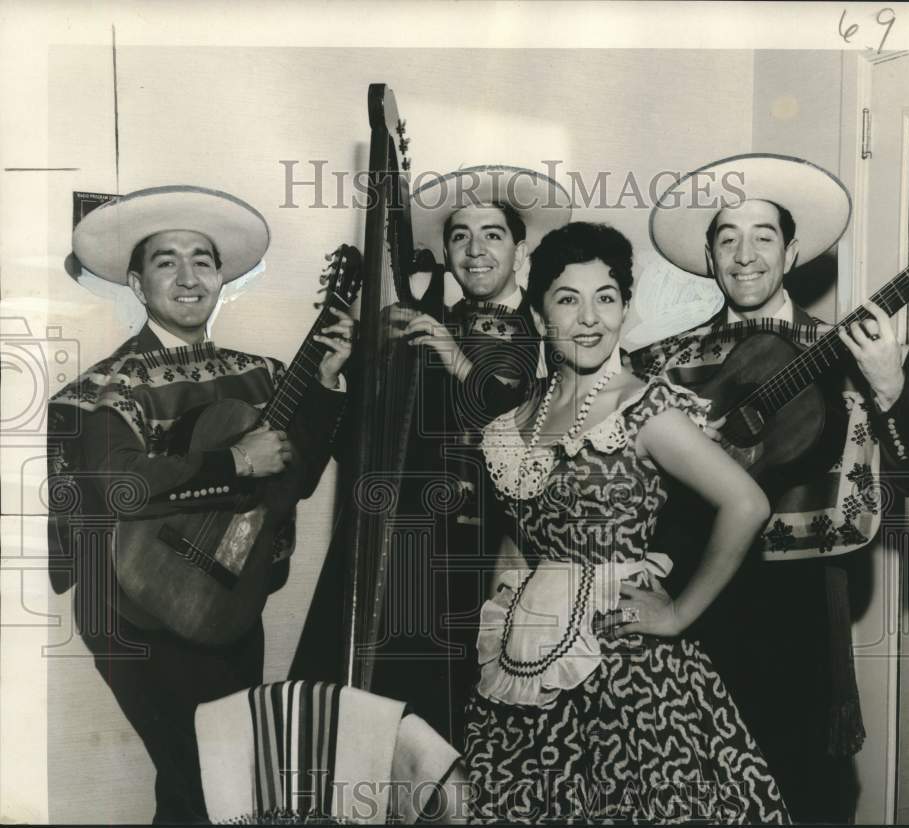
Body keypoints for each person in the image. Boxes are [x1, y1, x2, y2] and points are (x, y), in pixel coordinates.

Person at [633, 154, 909, 823]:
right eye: (727, 238)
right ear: (709, 256)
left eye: (763, 236)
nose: (745, 256)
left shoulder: (856, 351)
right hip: (692, 612)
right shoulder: (658, 365)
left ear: (793, 249)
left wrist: (891, 391)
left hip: (800, 620)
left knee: (808, 796)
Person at [46, 185, 354, 823]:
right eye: (167, 262)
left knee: (216, 782)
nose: (188, 277)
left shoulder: (262, 374)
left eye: (203, 261)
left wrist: (324, 386)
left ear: (221, 279)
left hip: (226, 593)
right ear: (137, 282)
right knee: (208, 778)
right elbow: (118, 485)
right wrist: (233, 460)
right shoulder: (102, 387)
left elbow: (291, 483)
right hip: (132, 609)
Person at [465, 221, 790, 823]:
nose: (590, 318)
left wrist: (678, 613)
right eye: (568, 299)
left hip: (630, 673)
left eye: (606, 298)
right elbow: (516, 536)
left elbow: (747, 504)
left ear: (623, 309)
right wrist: (505, 618)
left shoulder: (646, 408)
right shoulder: (514, 425)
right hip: (530, 664)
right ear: (540, 318)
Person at [354, 165, 573, 746]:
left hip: (494, 548)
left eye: (493, 235)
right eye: (459, 236)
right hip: (417, 543)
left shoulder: (546, 328)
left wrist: (453, 357)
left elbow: (514, 418)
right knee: (402, 719)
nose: (475, 251)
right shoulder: (436, 321)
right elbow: (375, 443)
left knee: (478, 719)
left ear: (519, 248)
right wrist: (348, 374)